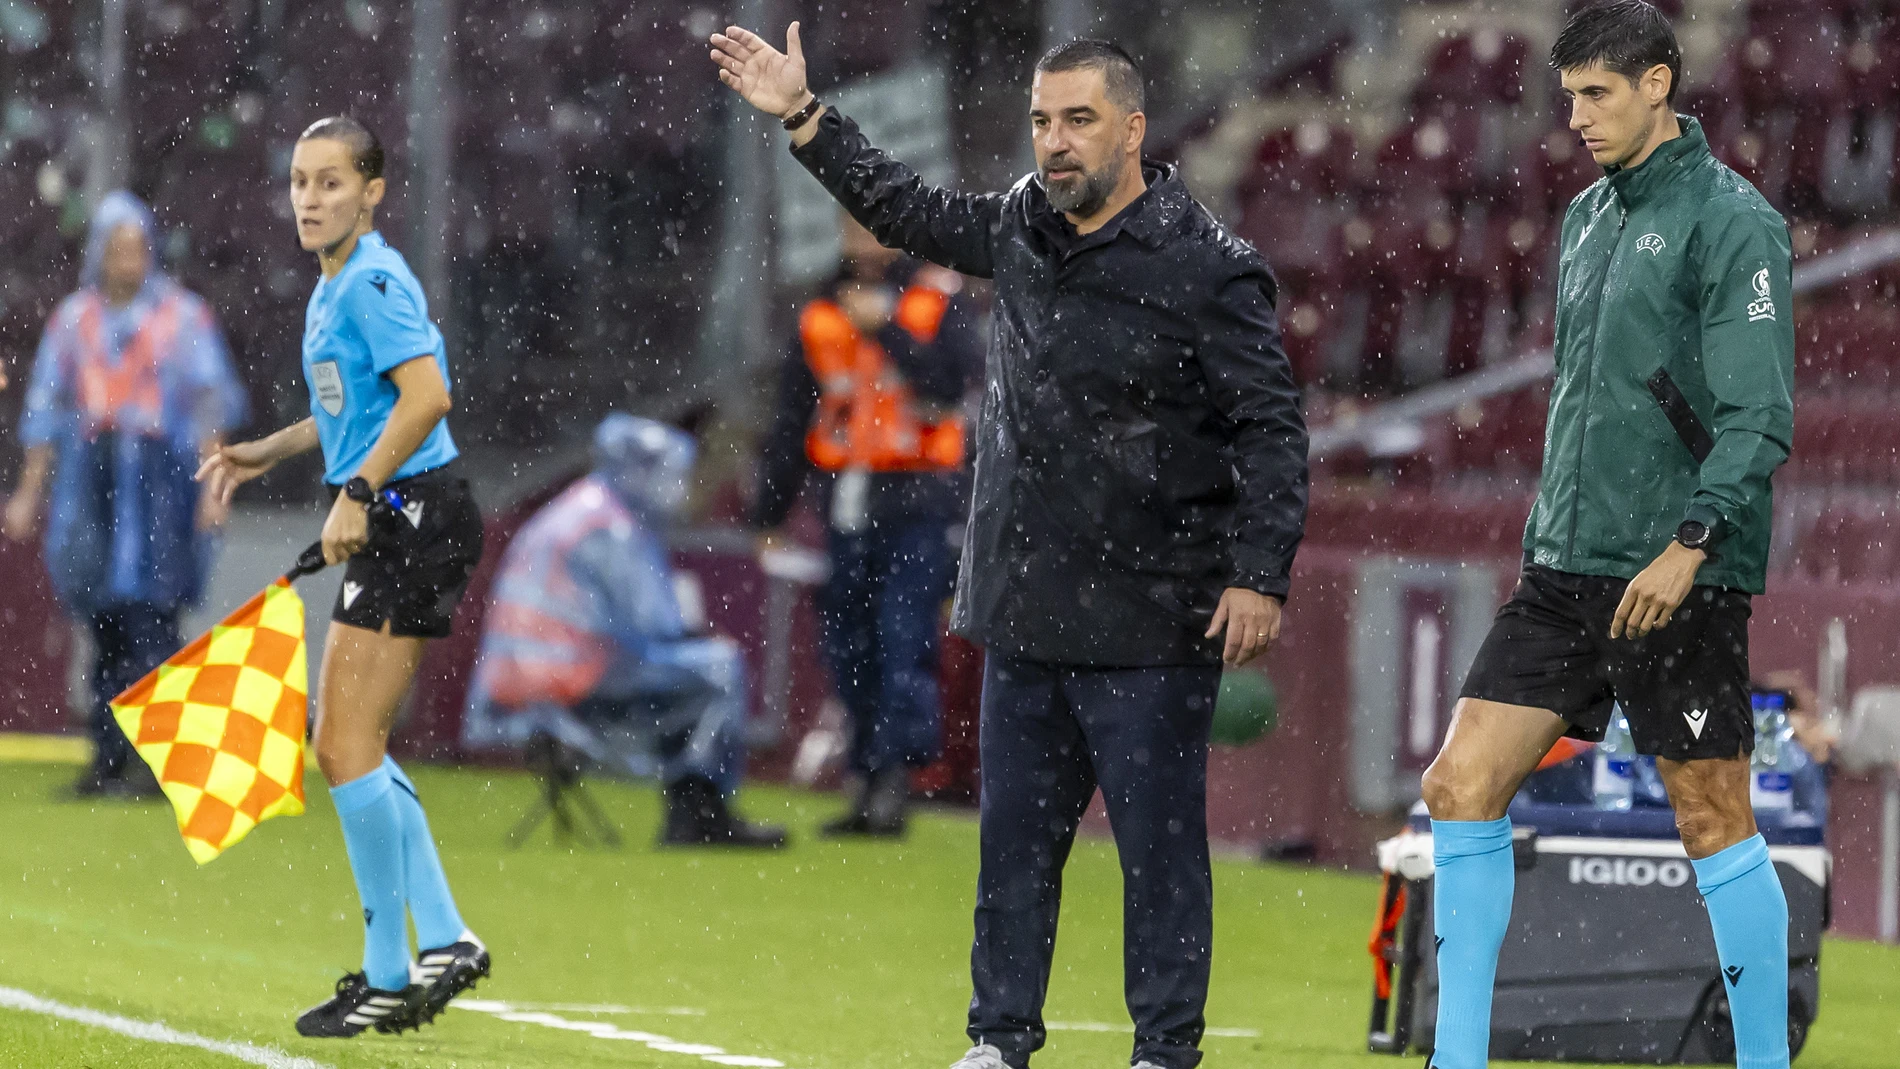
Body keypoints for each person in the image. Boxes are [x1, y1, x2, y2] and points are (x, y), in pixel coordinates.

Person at [710, 29, 1308, 1069]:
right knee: (1012, 854)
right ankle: (998, 1041)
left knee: (1158, 856)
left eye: (1077, 121)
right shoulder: (1023, 225)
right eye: (1039, 121)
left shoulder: (1209, 268)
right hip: (1025, 605)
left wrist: (1258, 573)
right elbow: (906, 208)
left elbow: (1270, 429)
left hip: (1151, 613)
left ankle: (1165, 1051)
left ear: (1131, 128)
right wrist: (806, 120)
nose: (1054, 143)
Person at [1416, 4, 1796, 1069]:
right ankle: (1455, 1058)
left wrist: (1687, 542)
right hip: (1563, 567)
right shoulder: (1587, 217)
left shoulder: (1734, 222)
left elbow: (1759, 413)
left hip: (1677, 569)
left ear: (1659, 84)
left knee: (1712, 813)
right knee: (1457, 785)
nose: (1575, 115)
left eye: (1597, 93)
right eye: (1569, 93)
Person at [196, 117, 489, 1038]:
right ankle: (440, 940)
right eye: (298, 183)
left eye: (331, 182)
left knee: (342, 743)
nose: (310, 199)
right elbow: (352, 411)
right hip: (401, 515)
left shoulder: (366, 282)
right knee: (351, 742)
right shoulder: (334, 291)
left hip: (411, 514)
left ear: (373, 192)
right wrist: (266, 453)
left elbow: (428, 395)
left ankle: (391, 969)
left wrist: (357, 493)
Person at [4, 190, 245, 800]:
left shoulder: (183, 318)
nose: (127, 262)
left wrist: (215, 486)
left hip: (159, 484)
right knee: (103, 625)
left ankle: (156, 764)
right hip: (93, 484)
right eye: (116, 250)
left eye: (136, 249)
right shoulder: (74, 321)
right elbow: (46, 410)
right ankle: (108, 757)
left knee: (153, 623)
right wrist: (30, 494)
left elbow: (208, 405)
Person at [754, 212, 982, 837]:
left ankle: (894, 778)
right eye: (852, 228)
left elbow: (949, 384)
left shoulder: (935, 298)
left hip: (916, 493)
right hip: (844, 492)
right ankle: (864, 773)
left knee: (901, 635)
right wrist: (769, 510)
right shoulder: (821, 306)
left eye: (874, 227)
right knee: (847, 639)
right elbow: (793, 413)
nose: (863, 242)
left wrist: (888, 332)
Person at [463, 413, 788, 847]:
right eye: (669, 474)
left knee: (685, 680)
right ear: (639, 471)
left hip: (517, 678)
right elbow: (651, 624)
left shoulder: (582, 506)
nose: (676, 487)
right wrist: (698, 640)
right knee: (720, 670)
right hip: (567, 676)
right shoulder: (611, 525)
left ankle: (694, 810)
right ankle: (700, 812)